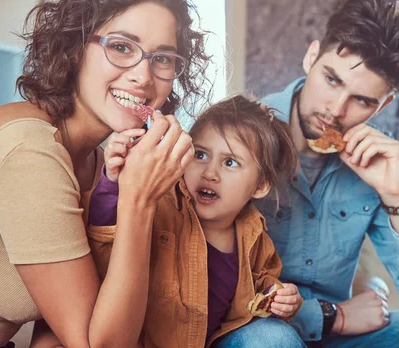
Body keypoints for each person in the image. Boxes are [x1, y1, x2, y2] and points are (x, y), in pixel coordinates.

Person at [0, 0, 212, 348]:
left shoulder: (98, 163)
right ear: (73, 50)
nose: (143, 75)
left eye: (163, 58)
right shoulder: (30, 153)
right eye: (121, 47)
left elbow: (72, 324)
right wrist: (139, 200)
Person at [218, 0, 399, 348]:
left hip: (344, 334)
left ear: (383, 104)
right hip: (260, 326)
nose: (335, 110)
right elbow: (211, 286)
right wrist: (332, 316)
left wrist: (398, 197)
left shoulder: (378, 158)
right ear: (312, 57)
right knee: (272, 341)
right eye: (332, 80)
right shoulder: (240, 132)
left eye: (363, 100)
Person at [86, 95, 306, 347]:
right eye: (200, 155)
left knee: (275, 336)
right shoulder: (161, 205)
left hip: (213, 342)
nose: (210, 173)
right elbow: (106, 234)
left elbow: (263, 283)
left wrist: (282, 298)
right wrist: (113, 182)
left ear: (261, 185)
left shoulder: (253, 234)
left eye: (230, 162)